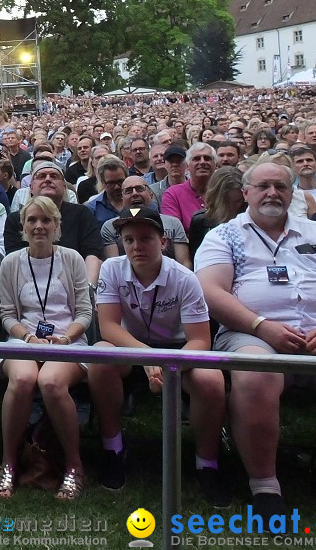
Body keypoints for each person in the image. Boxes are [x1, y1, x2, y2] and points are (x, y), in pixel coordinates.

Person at [194, 161, 316, 521]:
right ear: (246, 193)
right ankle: (265, 486)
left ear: (292, 193)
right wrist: (261, 325)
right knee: (257, 373)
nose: (272, 193)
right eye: (264, 186)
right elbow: (211, 291)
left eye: (281, 187)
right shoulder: (223, 236)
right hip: (252, 335)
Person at [89, 208, 228, 505]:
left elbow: (201, 340)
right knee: (100, 358)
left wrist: (167, 366)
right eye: (129, 239)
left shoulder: (184, 278)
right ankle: (112, 449)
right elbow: (109, 327)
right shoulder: (112, 268)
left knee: (211, 378)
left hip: (178, 348)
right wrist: (148, 358)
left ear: (163, 241)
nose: (136, 246)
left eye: (145, 239)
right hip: (131, 347)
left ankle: (208, 464)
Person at [0, 195, 92, 501]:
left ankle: (74, 466)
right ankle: (8, 463)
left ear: (56, 226)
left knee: (50, 381)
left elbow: (84, 313)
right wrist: (28, 338)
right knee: (23, 378)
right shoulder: (11, 262)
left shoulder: (72, 259)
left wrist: (64, 339)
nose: (39, 226)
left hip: (69, 339)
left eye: (46, 220)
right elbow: (8, 314)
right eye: (32, 220)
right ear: (23, 226)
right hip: (23, 339)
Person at [187, 167, 246, 256]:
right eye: (226, 202)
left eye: (238, 201)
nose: (232, 207)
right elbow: (196, 257)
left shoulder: (250, 218)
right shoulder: (201, 221)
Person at [162, 142, 218, 231]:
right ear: (187, 166)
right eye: (196, 159)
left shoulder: (224, 192)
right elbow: (174, 233)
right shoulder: (173, 194)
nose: (202, 162)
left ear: (215, 165)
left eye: (207, 158)